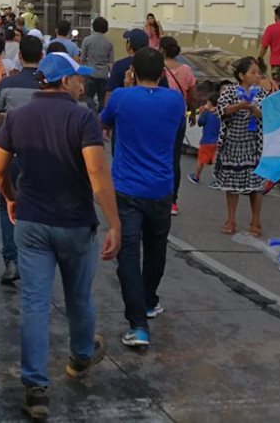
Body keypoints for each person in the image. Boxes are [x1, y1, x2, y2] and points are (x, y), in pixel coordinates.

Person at [0, 52, 120, 421]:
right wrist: (115, 222)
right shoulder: (83, 118)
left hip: (31, 222)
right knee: (79, 298)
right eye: (78, 79)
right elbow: (97, 172)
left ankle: (36, 388)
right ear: (65, 82)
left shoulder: (16, 117)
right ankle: (80, 358)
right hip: (75, 223)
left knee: (34, 302)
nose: (83, 83)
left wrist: (11, 199)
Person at [101, 47, 184, 349]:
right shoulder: (175, 100)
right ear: (163, 73)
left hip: (126, 187)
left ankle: (137, 324)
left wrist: (126, 88)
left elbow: (105, 121)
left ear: (132, 72)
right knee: (156, 248)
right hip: (161, 187)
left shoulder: (123, 97)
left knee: (128, 253)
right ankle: (148, 300)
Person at [0, 35, 44, 285]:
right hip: (43, 156)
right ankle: (36, 261)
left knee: (7, 204)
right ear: (41, 57)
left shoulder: (8, 83)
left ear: (19, 56)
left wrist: (11, 120)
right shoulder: (47, 85)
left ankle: (11, 260)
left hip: (12, 154)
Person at [214, 57, 267, 236]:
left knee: (256, 185)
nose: (257, 76)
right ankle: (231, 219)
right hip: (233, 143)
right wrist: (241, 105)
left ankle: (256, 220)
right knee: (232, 184)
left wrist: (254, 110)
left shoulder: (262, 94)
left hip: (254, 144)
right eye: (253, 72)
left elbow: (267, 116)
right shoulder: (230, 91)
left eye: (259, 73)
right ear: (241, 75)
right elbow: (221, 111)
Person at [159, 36, 196, 216]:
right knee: (174, 159)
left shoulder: (159, 69)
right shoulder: (186, 70)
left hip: (160, 117)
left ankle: (159, 194)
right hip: (179, 117)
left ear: (163, 50)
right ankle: (173, 201)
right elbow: (192, 95)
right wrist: (194, 112)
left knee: (159, 155)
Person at [103, 29, 149, 108]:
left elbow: (110, 94)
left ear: (128, 45)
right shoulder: (153, 64)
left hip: (125, 109)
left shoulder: (119, 65)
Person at [79, 16, 113, 110]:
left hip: (90, 73)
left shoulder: (87, 40)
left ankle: (92, 111)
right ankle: (100, 116)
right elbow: (111, 63)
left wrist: (81, 75)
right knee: (102, 98)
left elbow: (82, 59)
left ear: (94, 27)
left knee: (88, 96)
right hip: (104, 74)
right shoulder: (109, 43)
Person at [189, 94, 221, 184]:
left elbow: (200, 123)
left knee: (201, 160)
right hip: (218, 140)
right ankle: (218, 180)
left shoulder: (207, 112)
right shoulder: (221, 113)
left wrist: (202, 112)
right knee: (216, 160)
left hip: (206, 141)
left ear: (210, 102)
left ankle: (196, 177)